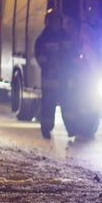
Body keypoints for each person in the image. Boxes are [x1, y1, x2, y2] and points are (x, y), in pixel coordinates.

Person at [34, 10, 77, 139]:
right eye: (54, 21)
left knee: (68, 104)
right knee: (48, 105)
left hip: (64, 78)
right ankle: (46, 129)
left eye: (58, 21)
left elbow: (72, 55)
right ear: (48, 22)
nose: (56, 24)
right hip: (50, 78)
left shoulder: (66, 37)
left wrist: (70, 70)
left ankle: (71, 128)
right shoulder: (43, 39)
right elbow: (40, 57)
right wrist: (50, 66)